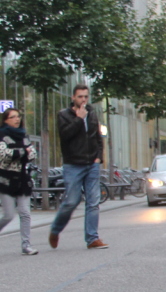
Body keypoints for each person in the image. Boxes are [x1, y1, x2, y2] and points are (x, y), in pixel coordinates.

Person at [48, 84, 107, 250]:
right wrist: (78, 119)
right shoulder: (64, 115)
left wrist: (98, 157)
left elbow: (97, 137)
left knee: (93, 202)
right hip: (73, 164)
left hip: (92, 164)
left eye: (86, 97)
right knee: (71, 202)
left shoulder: (92, 113)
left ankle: (92, 238)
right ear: (73, 98)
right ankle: (55, 229)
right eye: (80, 97)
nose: (83, 100)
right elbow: (65, 136)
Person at [0, 108, 37, 255]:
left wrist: (22, 153)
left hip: (22, 177)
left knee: (25, 213)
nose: (17, 119)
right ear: (6, 120)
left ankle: (26, 245)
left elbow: (33, 153)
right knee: (9, 215)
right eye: (13, 117)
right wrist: (22, 152)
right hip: (6, 178)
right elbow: (3, 154)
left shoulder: (23, 136)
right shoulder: (2, 134)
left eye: (18, 116)